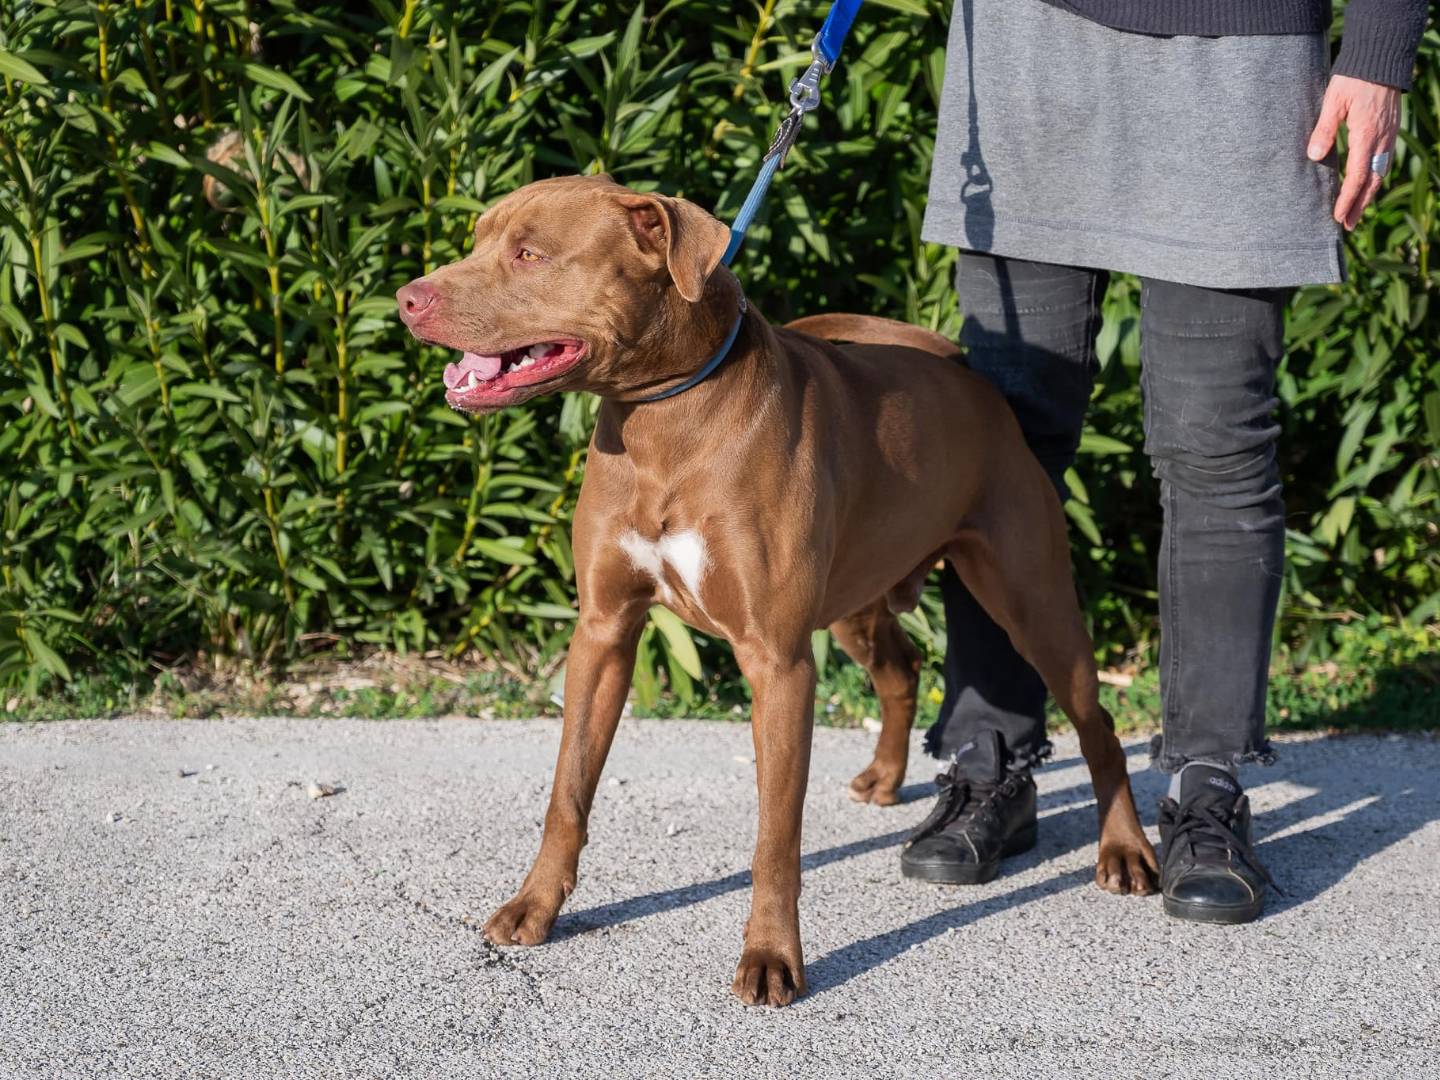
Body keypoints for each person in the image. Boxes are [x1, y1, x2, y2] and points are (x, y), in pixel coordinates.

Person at [901, 0, 1428, 923]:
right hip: (1028, 49)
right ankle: (991, 756)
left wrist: (1378, 53)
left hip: (1245, 61)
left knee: (1217, 445)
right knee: (999, 444)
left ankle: (1207, 784)